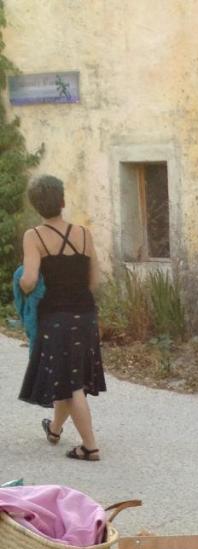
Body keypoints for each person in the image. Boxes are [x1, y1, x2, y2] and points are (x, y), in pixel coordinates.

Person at [18, 174, 106, 461]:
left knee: (71, 384)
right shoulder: (83, 234)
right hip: (86, 313)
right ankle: (54, 430)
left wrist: (21, 285)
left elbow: (29, 280)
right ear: (63, 200)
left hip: (56, 316)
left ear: (36, 206)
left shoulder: (34, 236)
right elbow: (94, 280)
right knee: (69, 375)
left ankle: (89, 446)